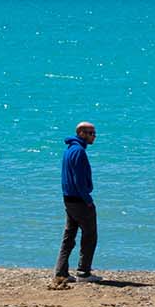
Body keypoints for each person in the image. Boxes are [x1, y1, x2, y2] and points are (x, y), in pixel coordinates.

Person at [53, 122, 100, 286]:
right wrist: (88, 200)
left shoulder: (70, 150)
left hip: (69, 199)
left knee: (69, 236)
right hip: (79, 200)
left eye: (94, 133)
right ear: (81, 133)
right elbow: (78, 180)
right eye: (91, 133)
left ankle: (61, 272)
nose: (94, 136)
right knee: (90, 235)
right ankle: (84, 272)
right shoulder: (78, 151)